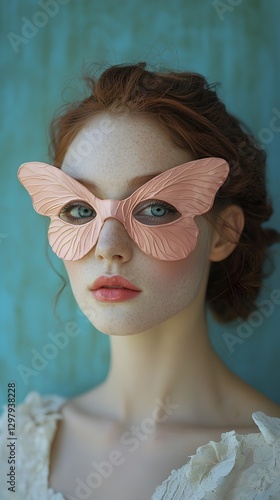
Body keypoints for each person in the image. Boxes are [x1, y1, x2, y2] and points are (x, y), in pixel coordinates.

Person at [1, 62, 280, 499]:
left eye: (155, 208)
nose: (109, 246)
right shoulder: (12, 447)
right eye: (80, 210)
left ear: (224, 232)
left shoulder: (270, 468)